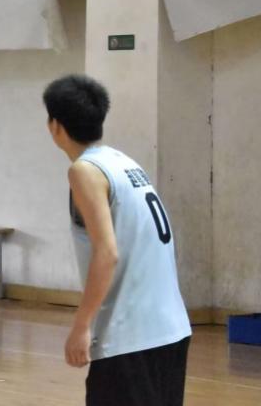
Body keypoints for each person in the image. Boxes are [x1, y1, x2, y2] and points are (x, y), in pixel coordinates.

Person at [43, 74, 191, 406]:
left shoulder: (84, 171)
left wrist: (82, 325)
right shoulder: (123, 163)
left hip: (130, 338)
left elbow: (107, 252)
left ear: (55, 126)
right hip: (172, 330)